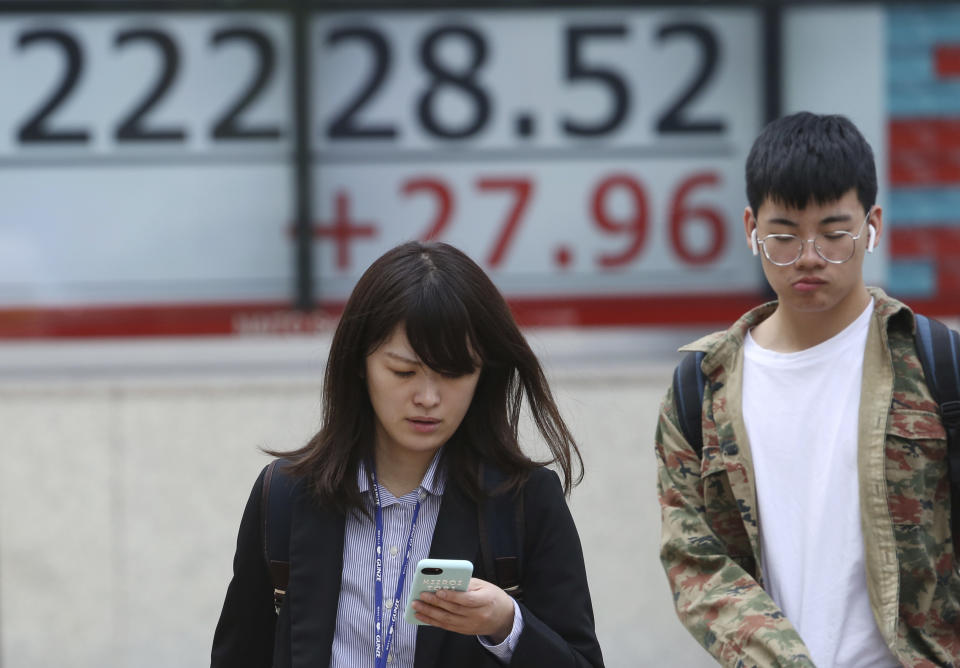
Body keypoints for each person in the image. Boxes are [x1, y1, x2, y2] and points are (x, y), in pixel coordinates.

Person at [656, 112, 959, 667]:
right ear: (751, 228)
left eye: (835, 233)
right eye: (784, 235)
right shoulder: (700, 389)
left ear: (874, 225)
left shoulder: (937, 364)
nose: (810, 256)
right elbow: (694, 558)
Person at [212, 241, 604, 668]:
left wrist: (506, 626)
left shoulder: (524, 500)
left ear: (483, 374)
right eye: (403, 371)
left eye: (455, 373)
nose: (428, 397)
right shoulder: (286, 494)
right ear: (360, 364)